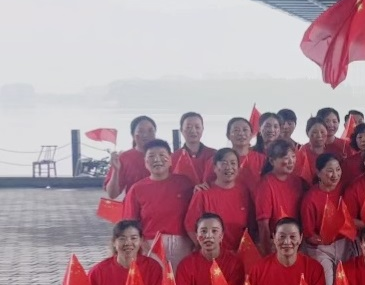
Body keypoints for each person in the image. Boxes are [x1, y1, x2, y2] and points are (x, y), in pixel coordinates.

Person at [122, 139, 195, 271]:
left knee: (180, 281)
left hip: (183, 244)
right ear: (145, 162)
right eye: (151, 156)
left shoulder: (185, 183)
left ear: (171, 160)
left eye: (162, 155)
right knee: (154, 281)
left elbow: (195, 215)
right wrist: (143, 247)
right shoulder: (137, 189)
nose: (157, 159)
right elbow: (130, 224)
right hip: (150, 245)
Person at [184, 148, 254, 253]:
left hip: (239, 254)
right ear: (215, 168)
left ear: (238, 168)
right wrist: (206, 249)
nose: (229, 167)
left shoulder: (244, 191)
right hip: (213, 255)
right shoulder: (203, 193)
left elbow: (251, 226)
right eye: (224, 163)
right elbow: (190, 226)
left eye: (233, 163)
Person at [300, 153, 350, 285]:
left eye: (338, 169)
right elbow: (309, 234)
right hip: (321, 248)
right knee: (326, 284)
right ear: (318, 172)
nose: (335, 175)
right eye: (330, 170)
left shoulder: (345, 189)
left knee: (345, 283)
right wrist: (325, 240)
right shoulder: (310, 198)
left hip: (344, 244)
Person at [89, 220, 163, 285]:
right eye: (122, 239)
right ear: (114, 242)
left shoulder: (153, 268)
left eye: (133, 238)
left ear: (141, 240)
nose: (128, 243)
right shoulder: (97, 272)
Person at [175, 213, 244, 285]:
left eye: (214, 231)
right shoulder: (185, 266)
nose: (208, 236)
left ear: (221, 235)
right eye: (203, 231)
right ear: (197, 236)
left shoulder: (235, 264)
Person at [255, 139, 307, 252]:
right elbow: (263, 224)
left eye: (293, 156)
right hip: (277, 243)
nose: (291, 161)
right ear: (272, 161)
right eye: (285, 157)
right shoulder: (265, 184)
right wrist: (267, 253)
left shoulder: (298, 181)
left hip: (296, 241)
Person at [104, 115, 156, 199]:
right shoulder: (124, 158)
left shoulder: (166, 157)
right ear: (133, 135)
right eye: (141, 131)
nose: (145, 135)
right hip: (133, 206)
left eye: (150, 130)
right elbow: (112, 194)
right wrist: (116, 171)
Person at [170, 112, 215, 184]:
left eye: (197, 127)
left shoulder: (214, 155)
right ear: (181, 129)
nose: (193, 131)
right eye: (188, 127)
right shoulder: (173, 157)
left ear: (202, 129)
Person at [292, 117, 328, 184]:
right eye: (314, 132)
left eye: (322, 132)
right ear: (307, 133)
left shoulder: (331, 150)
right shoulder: (301, 152)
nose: (319, 135)